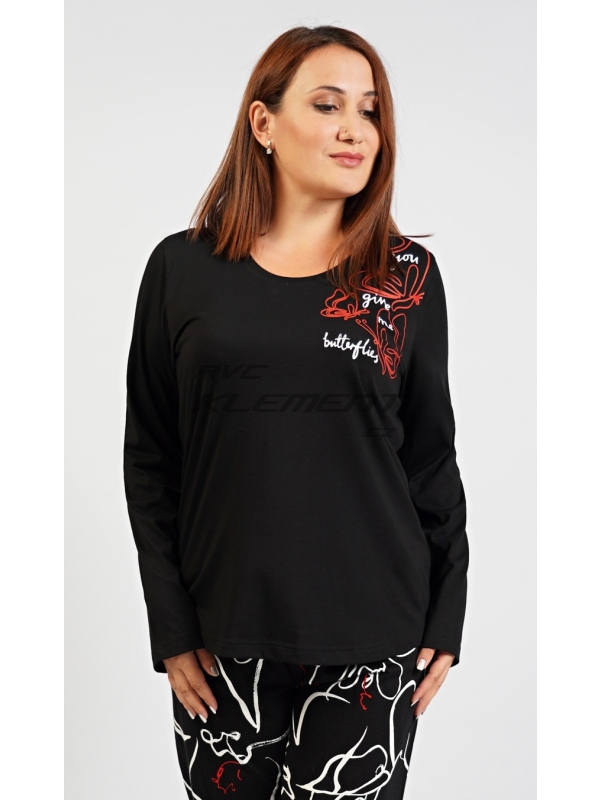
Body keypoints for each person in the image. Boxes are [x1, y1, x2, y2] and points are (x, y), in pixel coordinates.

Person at [123, 24, 469, 800]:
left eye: (370, 110)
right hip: (221, 641)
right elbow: (151, 460)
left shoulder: (406, 277)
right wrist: (171, 628)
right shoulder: (181, 269)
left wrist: (447, 613)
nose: (356, 129)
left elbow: (429, 459)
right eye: (328, 104)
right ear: (264, 123)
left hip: (374, 637)